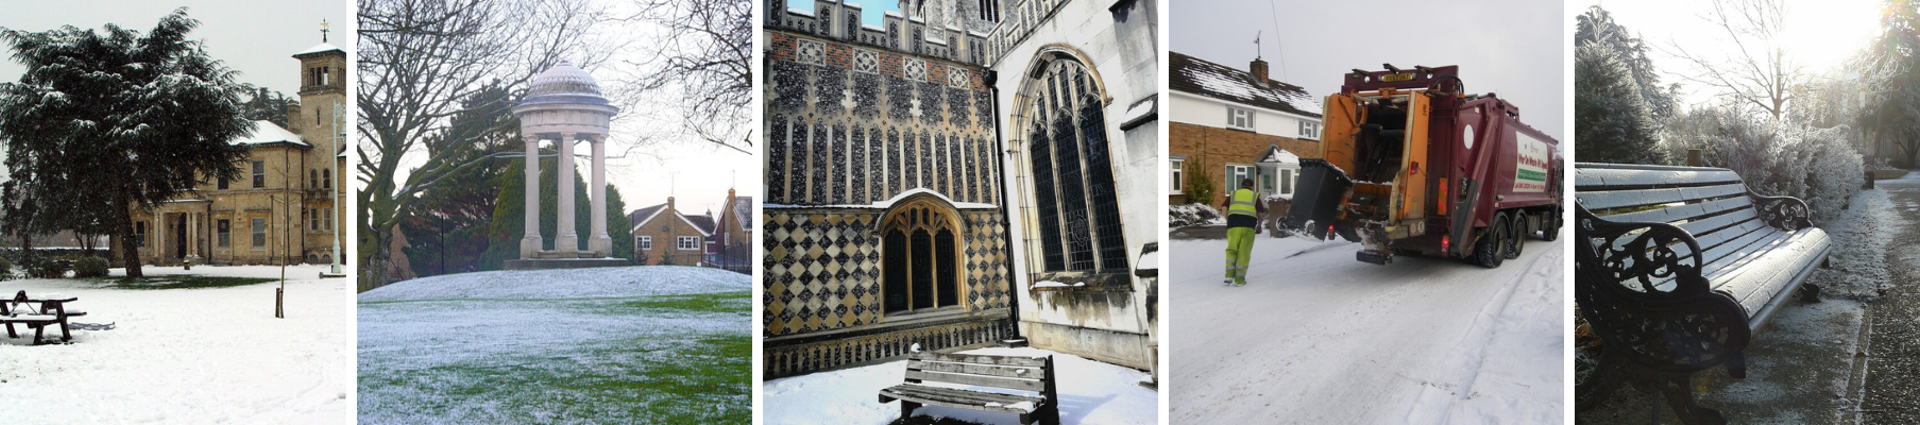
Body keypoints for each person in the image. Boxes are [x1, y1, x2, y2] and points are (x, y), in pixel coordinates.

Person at [1222, 178, 1265, 286]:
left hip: (1233, 226)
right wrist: (1259, 225)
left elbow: (1224, 207)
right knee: (1244, 252)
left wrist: (1228, 219)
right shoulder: (1255, 196)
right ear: (1251, 187)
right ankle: (1239, 280)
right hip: (1248, 227)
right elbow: (1260, 213)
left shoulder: (1233, 194)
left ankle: (1228, 276)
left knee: (1231, 250)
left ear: (1241, 186)